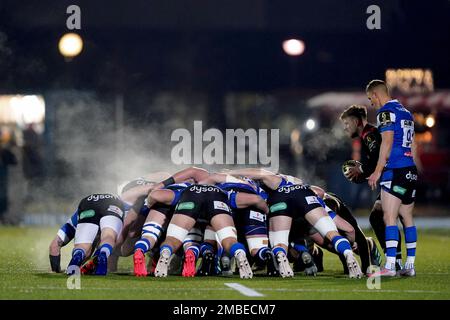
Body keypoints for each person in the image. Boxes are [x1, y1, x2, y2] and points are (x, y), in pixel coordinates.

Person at [227, 168, 363, 279]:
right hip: (305, 200)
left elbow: (260, 176)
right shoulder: (305, 189)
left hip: (279, 202)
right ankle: (347, 253)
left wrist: (232, 172)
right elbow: (349, 229)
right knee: (331, 235)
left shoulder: (263, 186)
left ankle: (281, 258)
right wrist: (351, 244)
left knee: (279, 242)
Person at [340, 104, 403, 270]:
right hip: (396, 176)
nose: (345, 128)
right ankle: (396, 261)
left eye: (347, 124)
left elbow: (378, 158)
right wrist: (363, 173)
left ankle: (396, 261)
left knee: (383, 217)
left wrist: (360, 169)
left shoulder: (369, 134)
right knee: (380, 217)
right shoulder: (368, 135)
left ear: (355, 121)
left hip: (396, 177)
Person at [366, 80, 418, 277]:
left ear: (376, 94)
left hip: (394, 169)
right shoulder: (406, 112)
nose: (372, 103)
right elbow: (413, 145)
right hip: (410, 170)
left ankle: (389, 266)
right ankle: (410, 265)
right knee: (407, 217)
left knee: (388, 217)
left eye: (371, 99)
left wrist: (378, 171)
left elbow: (386, 143)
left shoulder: (385, 112)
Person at [66, 193, 125, 276]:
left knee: (83, 246)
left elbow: (54, 245)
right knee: (109, 236)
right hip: (114, 203)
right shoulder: (124, 201)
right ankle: (103, 253)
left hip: (88, 202)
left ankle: (78, 254)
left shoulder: (76, 217)